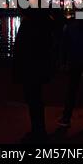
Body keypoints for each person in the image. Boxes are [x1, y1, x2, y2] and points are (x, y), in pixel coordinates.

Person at [13, 8, 54, 142]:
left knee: (33, 99)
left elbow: (24, 48)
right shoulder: (43, 23)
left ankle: (38, 131)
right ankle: (38, 129)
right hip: (37, 67)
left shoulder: (31, 25)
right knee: (36, 99)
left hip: (31, 68)